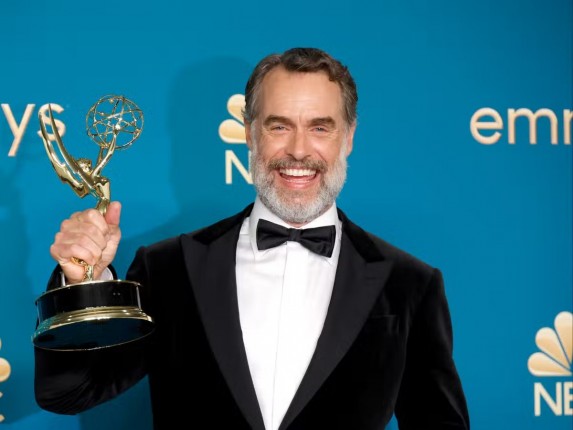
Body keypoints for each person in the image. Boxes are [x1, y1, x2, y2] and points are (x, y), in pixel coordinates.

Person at [34, 47, 470, 430]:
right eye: (279, 126)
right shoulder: (168, 267)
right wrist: (82, 284)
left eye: (320, 128)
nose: (299, 150)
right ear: (249, 131)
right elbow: (69, 393)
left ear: (349, 137)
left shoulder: (409, 284)